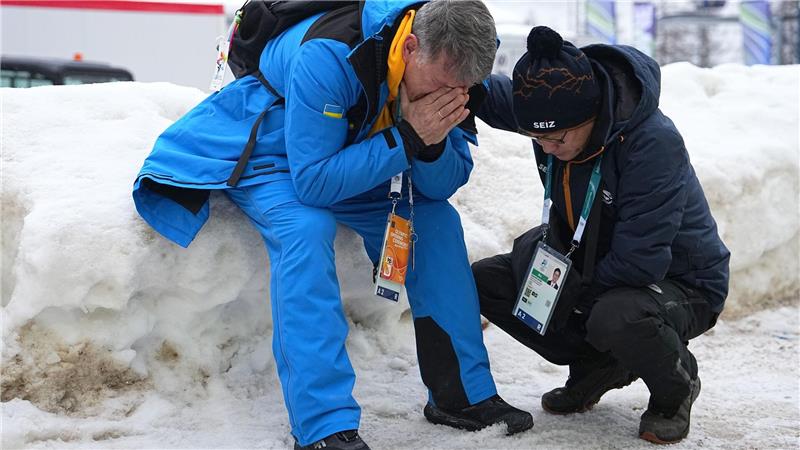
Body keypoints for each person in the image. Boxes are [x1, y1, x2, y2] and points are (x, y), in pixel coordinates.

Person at [132, 1, 532, 449]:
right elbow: (314, 182)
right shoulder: (328, 54)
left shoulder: (450, 71)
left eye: (463, 90)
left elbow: (440, 188)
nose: (449, 98)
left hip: (361, 149)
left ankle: (462, 396)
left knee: (436, 222)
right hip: (278, 152)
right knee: (306, 228)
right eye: (442, 85)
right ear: (412, 47)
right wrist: (408, 136)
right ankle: (322, 424)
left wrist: (432, 144)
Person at [474, 26, 730, 444]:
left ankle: (676, 387)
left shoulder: (653, 144)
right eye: (536, 138)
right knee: (488, 281)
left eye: (556, 138)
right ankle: (598, 366)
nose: (547, 148)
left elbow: (641, 260)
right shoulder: (552, 117)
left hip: (679, 281)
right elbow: (484, 91)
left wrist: (567, 296)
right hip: (595, 265)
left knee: (614, 316)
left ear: (592, 115)